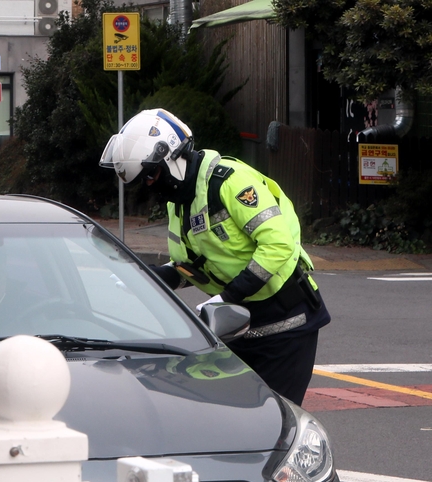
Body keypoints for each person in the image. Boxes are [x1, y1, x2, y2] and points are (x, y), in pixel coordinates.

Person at [99, 108, 330, 406]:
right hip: (237, 329)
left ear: (173, 158)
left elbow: (278, 245)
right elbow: (194, 264)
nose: (150, 185)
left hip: (286, 326)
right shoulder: (181, 200)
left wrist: (229, 296)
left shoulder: (230, 182)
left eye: (152, 174)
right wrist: (147, 278)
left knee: (274, 423)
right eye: (144, 179)